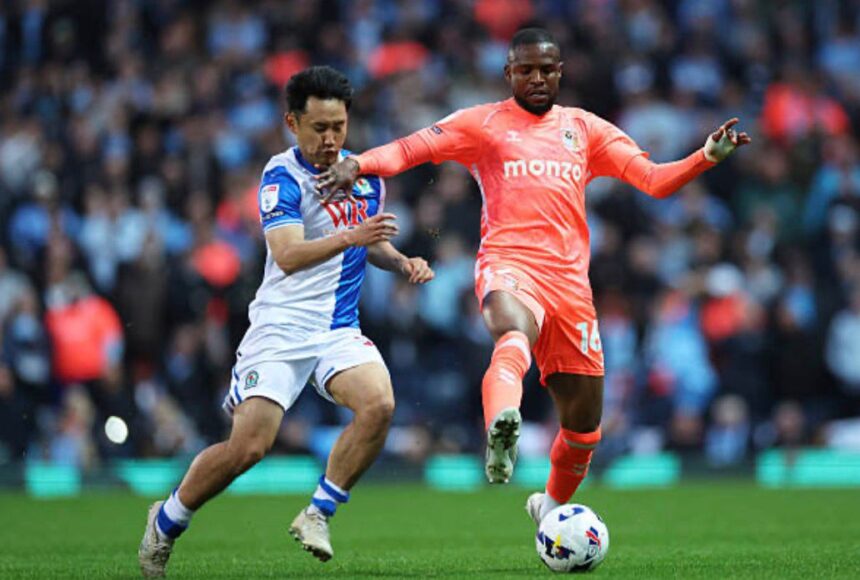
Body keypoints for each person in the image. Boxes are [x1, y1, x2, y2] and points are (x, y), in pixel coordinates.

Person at [316, 28, 749, 526]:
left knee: (584, 429)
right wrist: (359, 163)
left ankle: (549, 504)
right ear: (509, 73)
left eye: (547, 69)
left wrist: (706, 156)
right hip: (509, 262)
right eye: (526, 69)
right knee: (512, 330)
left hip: (571, 287)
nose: (537, 78)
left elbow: (653, 181)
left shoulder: (586, 130)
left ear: (560, 71)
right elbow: (411, 149)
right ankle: (502, 422)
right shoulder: (483, 124)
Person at [138, 66, 434, 577]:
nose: (330, 139)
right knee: (249, 446)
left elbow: (370, 241)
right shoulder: (281, 176)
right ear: (291, 124)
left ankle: (318, 512)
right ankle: (167, 518)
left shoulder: (364, 178)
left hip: (337, 328)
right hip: (281, 328)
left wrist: (401, 260)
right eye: (318, 128)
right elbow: (289, 254)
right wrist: (354, 238)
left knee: (380, 403)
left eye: (338, 126)